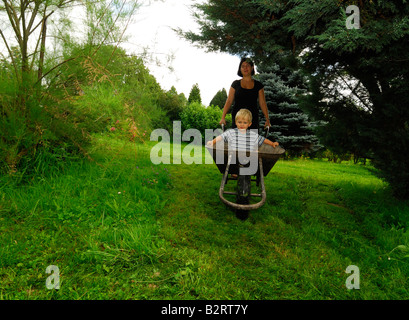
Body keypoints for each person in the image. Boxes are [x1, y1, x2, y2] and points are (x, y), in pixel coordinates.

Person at [219, 57, 271, 131]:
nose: (245, 68)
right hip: (238, 119)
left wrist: (267, 119)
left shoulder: (258, 85)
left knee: (252, 141)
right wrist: (223, 117)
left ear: (252, 67)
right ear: (240, 69)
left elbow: (262, 103)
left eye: (247, 66)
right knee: (237, 141)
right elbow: (229, 101)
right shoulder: (235, 84)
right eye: (243, 66)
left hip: (252, 120)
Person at [207, 109, 279, 150]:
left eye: (245, 123)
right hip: (234, 156)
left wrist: (272, 143)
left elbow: (262, 139)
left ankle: (245, 172)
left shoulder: (252, 134)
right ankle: (234, 171)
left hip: (247, 158)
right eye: (239, 122)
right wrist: (212, 142)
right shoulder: (231, 132)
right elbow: (221, 137)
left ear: (249, 124)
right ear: (236, 122)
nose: (242, 124)